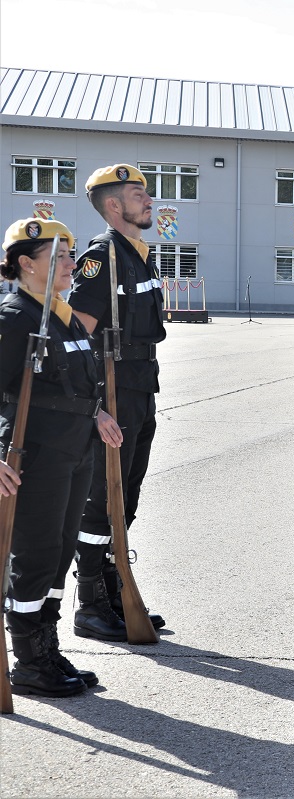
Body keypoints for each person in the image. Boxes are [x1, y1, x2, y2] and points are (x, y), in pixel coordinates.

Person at [1, 218, 123, 697]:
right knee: (34, 555)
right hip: (35, 453)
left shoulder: (63, 315)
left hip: (75, 449)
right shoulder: (15, 318)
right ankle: (28, 661)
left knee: (58, 553)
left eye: (71, 256)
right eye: (60, 258)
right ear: (27, 265)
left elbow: (72, 383)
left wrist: (97, 415)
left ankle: (47, 647)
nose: (72, 264)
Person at [68, 164, 167, 641]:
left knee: (124, 498)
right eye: (137, 193)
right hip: (111, 394)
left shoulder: (138, 254)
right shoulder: (102, 256)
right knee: (100, 501)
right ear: (113, 206)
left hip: (140, 387)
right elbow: (77, 337)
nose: (149, 200)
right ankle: (89, 602)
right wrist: (94, 407)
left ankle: (115, 586)